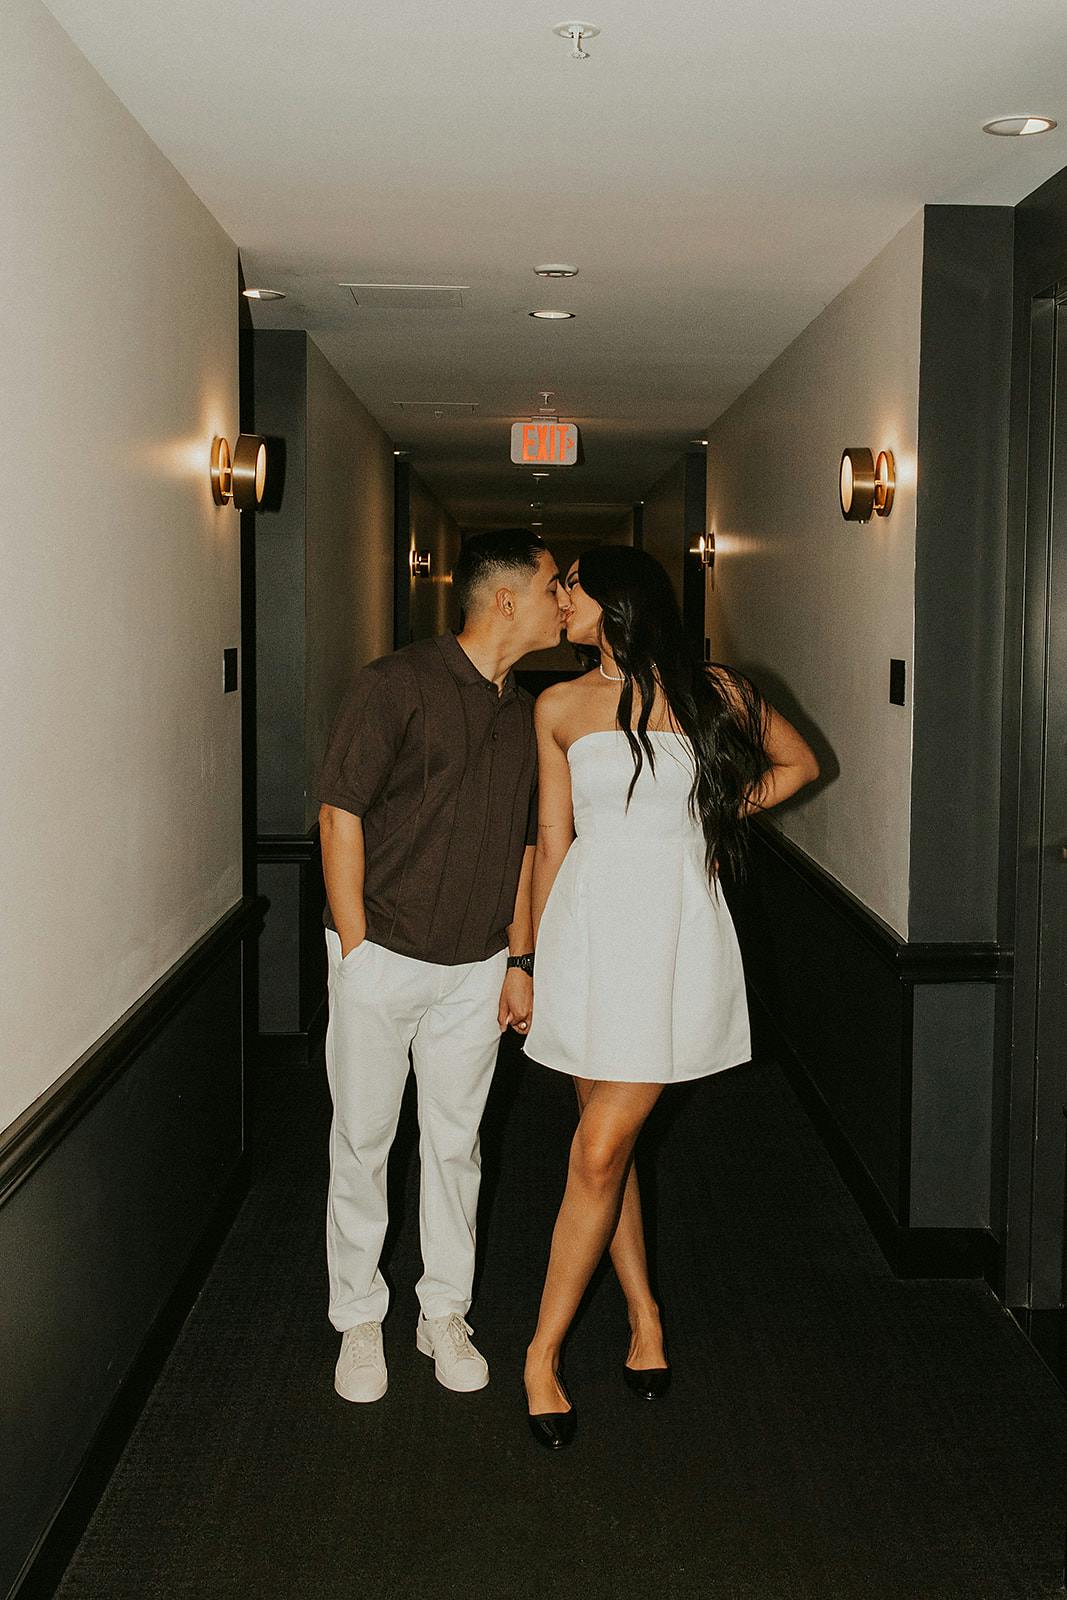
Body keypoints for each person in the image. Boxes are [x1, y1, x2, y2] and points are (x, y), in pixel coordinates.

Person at [521, 545, 819, 1447]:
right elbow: (551, 834)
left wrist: (712, 815)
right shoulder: (557, 704)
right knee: (602, 1148)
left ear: (617, 599)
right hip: (586, 933)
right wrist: (529, 959)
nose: (557, 601)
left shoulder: (713, 690)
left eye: (569, 588)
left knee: (599, 1146)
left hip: (673, 937)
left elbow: (799, 765)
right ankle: (643, 1313)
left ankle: (540, 1353)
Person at [317, 529, 568, 1404]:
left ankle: (443, 1313)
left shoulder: (527, 711)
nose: (562, 603)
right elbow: (339, 814)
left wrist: (519, 960)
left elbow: (527, 850)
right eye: (551, 588)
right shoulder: (393, 685)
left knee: (456, 1148)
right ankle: (358, 1317)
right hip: (381, 954)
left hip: (478, 967)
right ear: (505, 600)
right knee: (363, 1142)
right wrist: (356, 951)